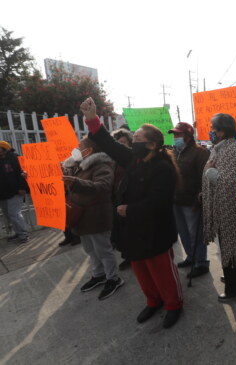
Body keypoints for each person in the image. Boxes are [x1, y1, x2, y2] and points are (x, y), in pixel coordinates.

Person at [80, 97, 183, 329]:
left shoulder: (163, 168)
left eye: (137, 138)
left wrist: (131, 210)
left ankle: (173, 304)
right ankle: (153, 300)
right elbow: (109, 143)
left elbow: (159, 202)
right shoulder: (134, 160)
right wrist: (92, 119)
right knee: (141, 269)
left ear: (153, 144)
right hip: (133, 229)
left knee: (162, 271)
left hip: (156, 230)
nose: (132, 141)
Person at [62, 137, 123, 300]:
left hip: (96, 216)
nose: (76, 148)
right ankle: (98, 274)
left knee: (103, 249)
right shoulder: (75, 165)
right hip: (81, 216)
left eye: (80, 146)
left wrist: (76, 183)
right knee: (90, 249)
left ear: (89, 151)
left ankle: (113, 278)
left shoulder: (102, 165)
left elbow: (103, 187)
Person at [202, 113, 236, 302]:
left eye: (213, 128)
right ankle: (233, 274)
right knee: (228, 246)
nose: (210, 132)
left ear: (222, 131)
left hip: (232, 207)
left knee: (232, 244)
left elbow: (231, 181)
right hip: (222, 207)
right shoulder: (220, 147)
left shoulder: (234, 148)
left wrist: (211, 172)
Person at [168, 122, 210, 278]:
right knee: (183, 232)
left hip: (192, 202)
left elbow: (205, 178)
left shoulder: (200, 153)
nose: (175, 137)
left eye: (178, 134)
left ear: (187, 135)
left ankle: (201, 263)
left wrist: (200, 198)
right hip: (176, 201)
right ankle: (191, 257)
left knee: (196, 234)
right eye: (174, 135)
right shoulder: (173, 152)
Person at [111, 128, 133, 270]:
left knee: (129, 229)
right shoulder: (113, 160)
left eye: (124, 142)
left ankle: (131, 256)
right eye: (119, 143)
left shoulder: (132, 158)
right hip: (116, 198)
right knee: (120, 230)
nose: (121, 145)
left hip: (129, 199)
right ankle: (127, 255)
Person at [0, 141, 29, 243]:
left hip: (16, 191)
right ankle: (18, 233)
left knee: (14, 213)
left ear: (3, 149)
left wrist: (22, 188)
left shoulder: (14, 158)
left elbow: (22, 174)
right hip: (3, 193)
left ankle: (23, 234)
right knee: (8, 214)